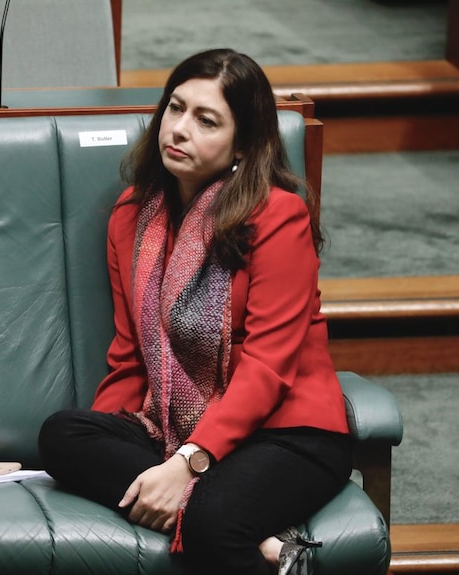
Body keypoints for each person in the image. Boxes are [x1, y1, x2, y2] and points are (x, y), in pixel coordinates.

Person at [39, 48, 351, 575]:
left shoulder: (277, 216)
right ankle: (270, 550)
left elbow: (268, 367)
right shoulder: (132, 215)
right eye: (175, 108)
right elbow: (131, 358)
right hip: (172, 425)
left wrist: (187, 462)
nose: (179, 130)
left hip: (286, 432)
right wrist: (102, 442)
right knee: (62, 436)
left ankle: (223, 517)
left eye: (206, 120)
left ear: (243, 144)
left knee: (215, 520)